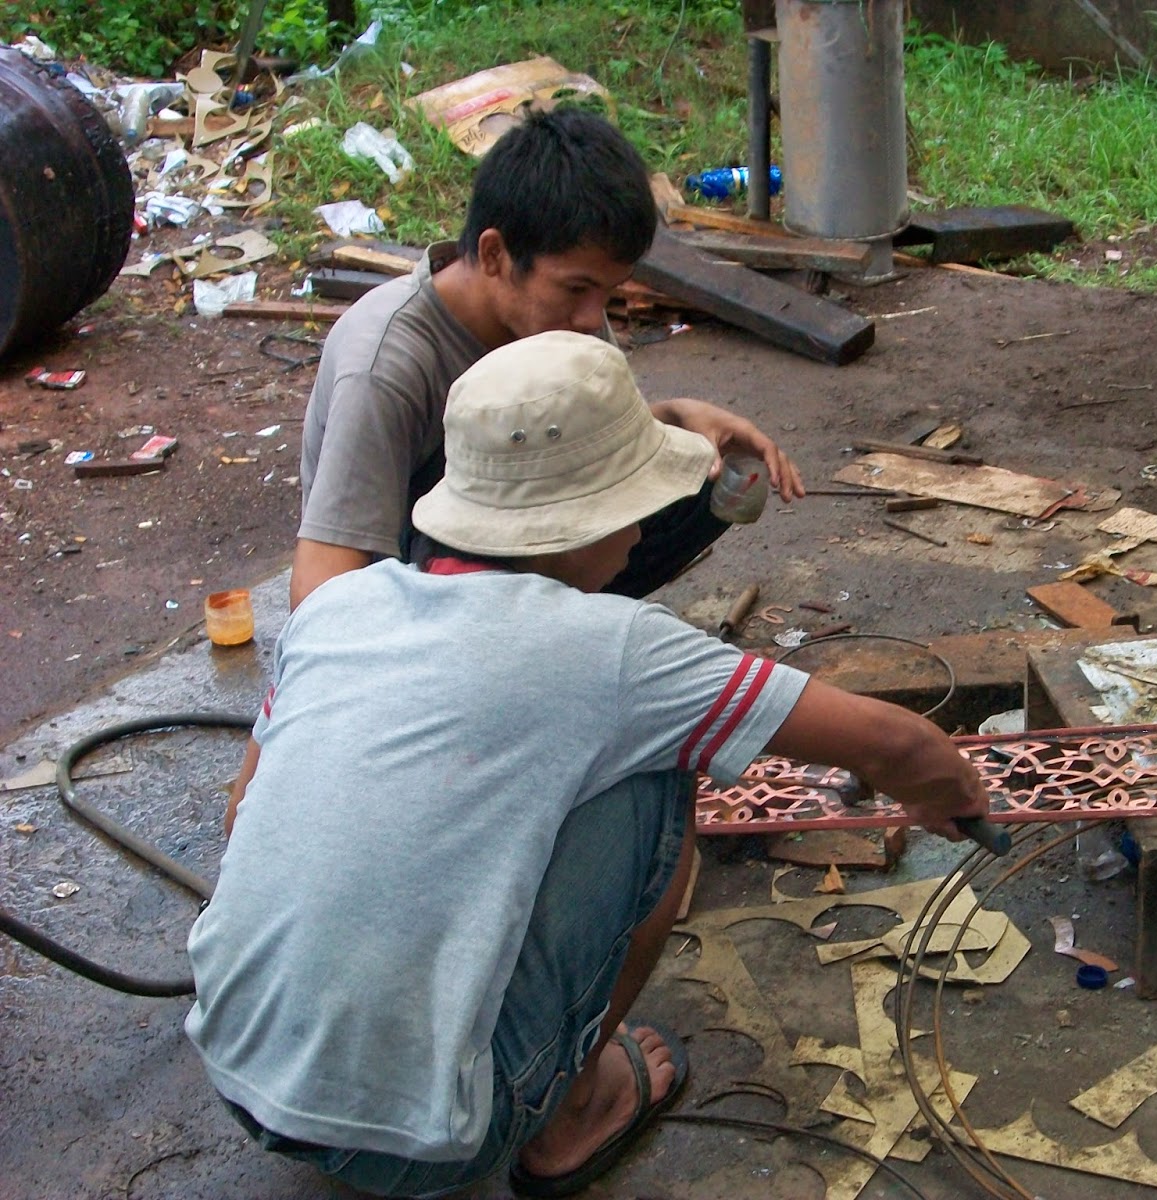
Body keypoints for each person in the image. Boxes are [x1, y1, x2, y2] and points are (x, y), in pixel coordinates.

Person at [186, 332, 990, 1199]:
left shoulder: (342, 604)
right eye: (632, 506)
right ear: (580, 527)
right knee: (660, 769)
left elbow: (247, 812)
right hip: (428, 1148)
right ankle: (567, 1109)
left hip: (234, 1067)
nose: (644, 528)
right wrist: (956, 795)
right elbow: (896, 747)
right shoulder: (616, 652)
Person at [290, 105, 803, 611]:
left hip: (507, 553)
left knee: (697, 477)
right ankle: (522, 651)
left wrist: (673, 420)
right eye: (577, 288)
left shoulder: (562, 316)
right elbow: (319, 595)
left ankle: (561, 636)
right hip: (417, 585)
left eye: (607, 291)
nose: (591, 317)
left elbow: (566, 445)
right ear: (494, 255)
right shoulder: (387, 364)